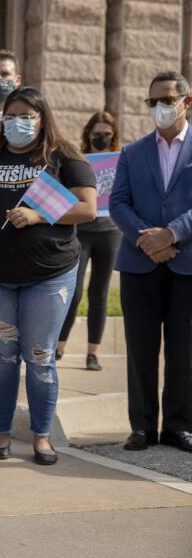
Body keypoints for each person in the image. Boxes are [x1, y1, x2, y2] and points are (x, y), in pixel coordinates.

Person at [0, 87, 97, 465]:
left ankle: (41, 436)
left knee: (40, 356)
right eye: (11, 115)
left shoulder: (62, 157)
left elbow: (87, 208)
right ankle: (0, 433)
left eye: (27, 116)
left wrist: (38, 214)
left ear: (42, 118)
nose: (18, 122)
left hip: (49, 276)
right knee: (3, 356)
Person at [110, 71, 192, 454]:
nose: (159, 107)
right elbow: (118, 204)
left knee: (184, 349)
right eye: (152, 101)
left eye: (166, 100)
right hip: (140, 264)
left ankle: (179, 425)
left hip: (186, 262)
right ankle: (142, 425)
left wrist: (172, 234)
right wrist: (149, 240)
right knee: (140, 349)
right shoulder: (132, 151)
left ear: (185, 102)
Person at [57, 111, 122, 370]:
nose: (102, 138)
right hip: (81, 231)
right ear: (88, 135)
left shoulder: (121, 160)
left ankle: (92, 352)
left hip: (110, 231)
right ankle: (60, 345)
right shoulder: (78, 159)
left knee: (100, 292)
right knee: (73, 292)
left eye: (107, 135)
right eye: (97, 134)